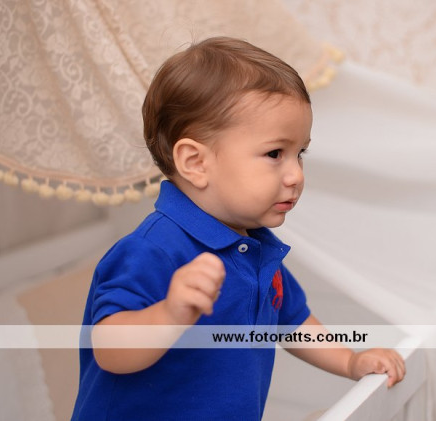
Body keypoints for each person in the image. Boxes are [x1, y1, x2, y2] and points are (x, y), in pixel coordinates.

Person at [71, 36, 405, 420]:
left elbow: (292, 322)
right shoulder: (153, 248)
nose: (296, 175)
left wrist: (349, 361)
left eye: (300, 153)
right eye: (275, 153)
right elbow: (109, 350)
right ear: (196, 162)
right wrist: (169, 314)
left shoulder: (256, 248)